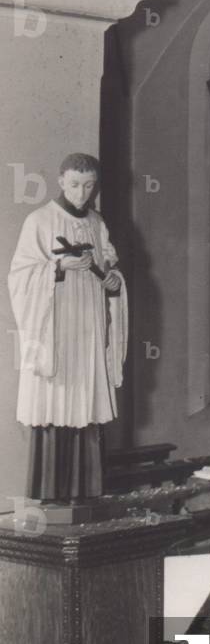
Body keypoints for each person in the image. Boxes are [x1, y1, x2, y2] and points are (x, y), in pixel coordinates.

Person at [8, 153, 127, 503]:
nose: (81, 194)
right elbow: (19, 276)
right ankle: (50, 502)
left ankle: (83, 500)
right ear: (61, 181)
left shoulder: (96, 223)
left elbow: (112, 272)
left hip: (87, 329)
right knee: (56, 404)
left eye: (89, 186)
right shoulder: (40, 221)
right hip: (56, 332)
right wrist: (59, 266)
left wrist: (111, 281)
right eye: (75, 184)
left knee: (85, 405)